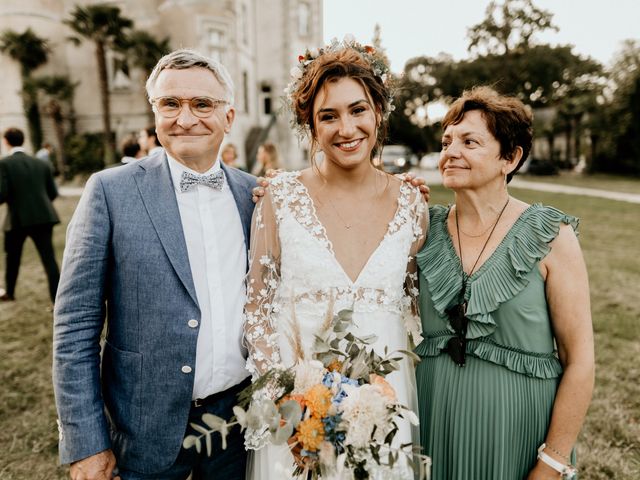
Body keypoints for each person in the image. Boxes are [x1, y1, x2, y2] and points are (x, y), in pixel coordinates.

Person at [53, 49, 256, 480]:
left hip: (239, 427)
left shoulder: (255, 196)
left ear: (229, 116)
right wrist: (86, 443)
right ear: (154, 112)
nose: (185, 119)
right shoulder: (110, 192)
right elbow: (74, 327)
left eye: (202, 104)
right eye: (170, 104)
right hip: (141, 430)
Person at [243, 37, 428, 479]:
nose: (346, 128)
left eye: (358, 110)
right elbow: (257, 313)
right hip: (297, 411)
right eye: (329, 115)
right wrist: (288, 402)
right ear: (310, 125)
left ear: (378, 113)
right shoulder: (278, 199)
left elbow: (413, 309)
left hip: (385, 408)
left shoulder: (412, 204)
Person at [414, 86, 594, 479]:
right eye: (446, 141)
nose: (451, 152)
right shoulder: (422, 229)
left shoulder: (552, 236)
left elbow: (580, 360)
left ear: (509, 158)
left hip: (518, 438)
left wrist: (552, 463)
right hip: (430, 428)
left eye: (469, 141)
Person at [0, 127, 60, 303]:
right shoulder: (40, 163)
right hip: (43, 217)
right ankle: (57, 298)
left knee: (12, 258)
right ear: (23, 140)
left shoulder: (4, 164)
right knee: (49, 259)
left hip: (17, 218)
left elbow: (2, 194)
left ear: (6, 141)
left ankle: (9, 292)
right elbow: (53, 193)